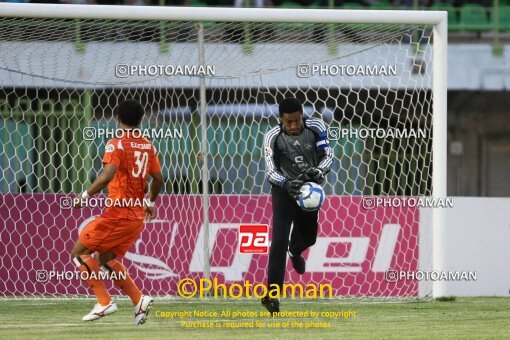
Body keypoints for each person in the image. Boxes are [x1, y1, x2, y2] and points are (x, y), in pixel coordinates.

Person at [70, 99, 164, 324]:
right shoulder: (148, 145)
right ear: (140, 120)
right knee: (106, 258)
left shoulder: (116, 143)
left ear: (118, 118)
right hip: (136, 217)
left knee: (79, 253)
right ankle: (138, 299)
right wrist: (148, 200)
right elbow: (158, 179)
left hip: (118, 214)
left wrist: (85, 195)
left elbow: (107, 175)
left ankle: (104, 301)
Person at [261, 97, 333, 314]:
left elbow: (328, 155)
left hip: (310, 190)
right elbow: (270, 170)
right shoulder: (273, 136)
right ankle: (272, 296)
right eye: (288, 122)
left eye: (296, 121)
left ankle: (296, 251)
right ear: (281, 119)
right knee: (278, 241)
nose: (293, 126)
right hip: (284, 191)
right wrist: (285, 182)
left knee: (309, 237)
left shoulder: (316, 127)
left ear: (302, 115)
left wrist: (319, 171)